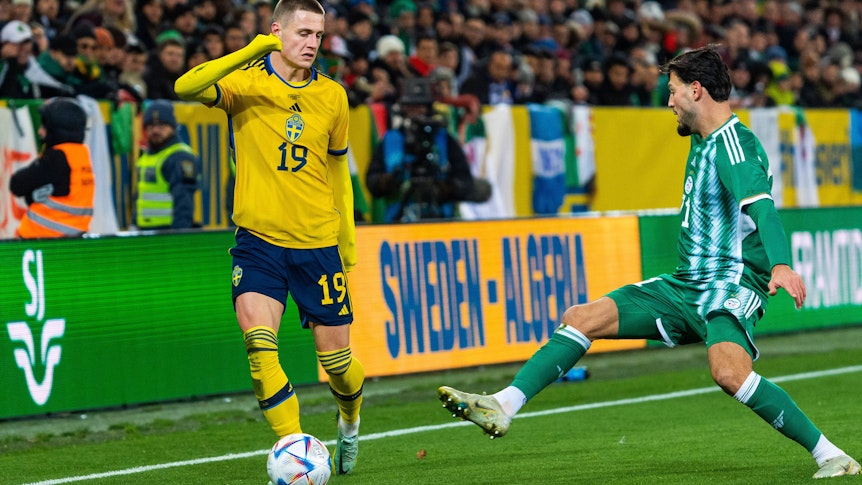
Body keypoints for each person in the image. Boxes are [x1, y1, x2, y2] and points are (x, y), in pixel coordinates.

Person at [437, 46, 861, 480]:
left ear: (697, 91)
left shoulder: (734, 144)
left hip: (730, 284)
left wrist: (781, 265)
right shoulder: (702, 142)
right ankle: (504, 404)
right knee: (581, 318)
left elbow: (764, 209)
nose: (669, 102)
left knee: (729, 373)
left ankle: (831, 454)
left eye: (674, 91)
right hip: (685, 285)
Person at [173, 0, 363, 476]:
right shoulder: (245, 82)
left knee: (338, 363)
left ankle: (350, 422)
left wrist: (347, 236)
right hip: (258, 242)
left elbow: (338, 168)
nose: (311, 44)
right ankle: (296, 450)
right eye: (302, 33)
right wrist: (252, 49)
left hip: (317, 242)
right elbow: (184, 85)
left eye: (318, 35)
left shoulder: (333, 96)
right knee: (260, 346)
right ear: (277, 32)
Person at [365, 77, 485, 223]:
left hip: (441, 220)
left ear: (429, 108)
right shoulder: (390, 139)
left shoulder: (444, 138)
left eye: (420, 107)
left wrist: (444, 189)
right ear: (403, 109)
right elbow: (372, 182)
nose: (416, 113)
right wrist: (387, 182)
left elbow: (465, 181)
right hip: (398, 225)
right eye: (411, 107)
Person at [9, 97, 94, 238]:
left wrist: (32, 194)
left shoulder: (57, 158)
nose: (40, 132)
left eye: (44, 127)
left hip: (40, 238)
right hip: (74, 239)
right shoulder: (81, 154)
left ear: (56, 130)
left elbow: (17, 184)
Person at [135, 100, 200, 230]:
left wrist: (178, 237)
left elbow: (184, 203)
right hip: (145, 231)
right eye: (150, 126)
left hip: (168, 231)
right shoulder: (148, 155)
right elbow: (141, 196)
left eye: (162, 126)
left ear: (173, 127)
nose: (155, 131)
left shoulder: (180, 157)